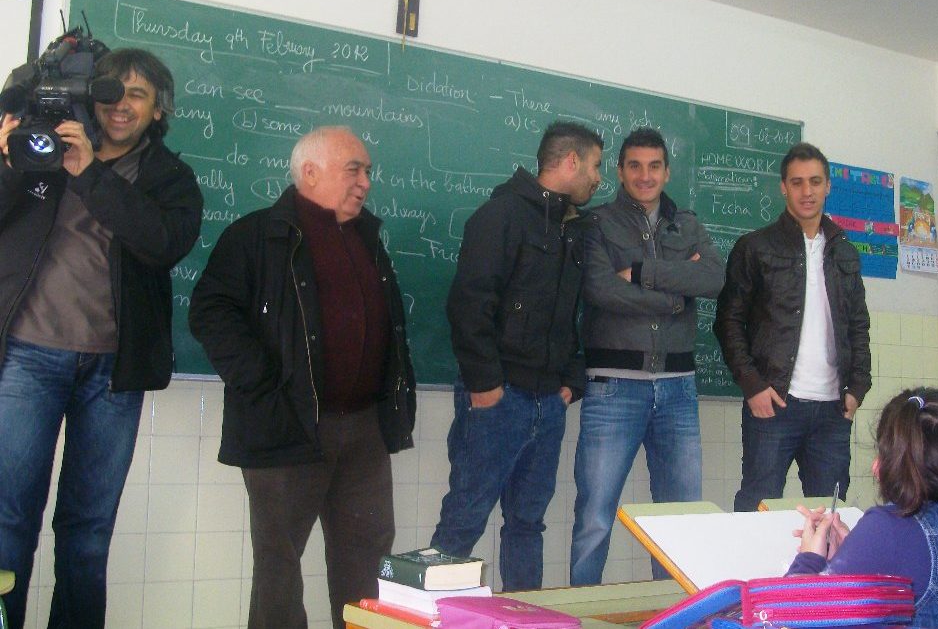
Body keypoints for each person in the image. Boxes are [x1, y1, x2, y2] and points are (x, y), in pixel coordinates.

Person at [0, 48, 203, 629]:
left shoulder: (170, 179)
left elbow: (161, 243)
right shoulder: (40, 148)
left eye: (137, 95)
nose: (120, 105)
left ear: (159, 110)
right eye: (111, 91)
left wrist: (90, 173)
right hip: (28, 356)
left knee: (88, 530)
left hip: (114, 372)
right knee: (9, 522)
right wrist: (8, 164)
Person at [188, 127, 415, 629]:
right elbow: (210, 311)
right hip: (287, 424)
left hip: (364, 429)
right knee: (280, 565)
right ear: (309, 172)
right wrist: (261, 382)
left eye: (368, 171)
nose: (365, 182)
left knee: (367, 560)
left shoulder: (367, 240)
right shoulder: (256, 236)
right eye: (354, 169)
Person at [432, 121, 602, 591]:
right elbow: (469, 304)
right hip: (497, 399)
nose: (598, 178)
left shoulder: (572, 229)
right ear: (571, 162)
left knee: (527, 524)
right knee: (463, 520)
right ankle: (428, 617)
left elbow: (573, 314)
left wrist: (570, 383)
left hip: (548, 401)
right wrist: (485, 386)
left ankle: (524, 618)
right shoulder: (501, 216)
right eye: (595, 166)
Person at [569, 127, 724, 585]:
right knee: (595, 517)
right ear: (620, 171)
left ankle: (674, 613)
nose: (645, 175)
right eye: (634, 166)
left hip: (678, 389)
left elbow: (714, 279)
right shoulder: (597, 223)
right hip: (613, 387)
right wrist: (676, 295)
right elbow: (600, 289)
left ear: (667, 172)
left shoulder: (688, 225)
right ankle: (582, 613)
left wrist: (640, 272)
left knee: (682, 521)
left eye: (654, 166)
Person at [713, 141, 870, 512]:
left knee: (830, 515)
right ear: (783, 187)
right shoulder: (755, 247)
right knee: (757, 509)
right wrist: (753, 385)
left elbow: (858, 325)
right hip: (775, 404)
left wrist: (858, 387)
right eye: (797, 182)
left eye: (815, 181)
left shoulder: (845, 252)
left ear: (828, 186)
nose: (806, 191)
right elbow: (728, 321)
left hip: (833, 410)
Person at [788, 388, 938, 627]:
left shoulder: (888, 531)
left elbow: (787, 620)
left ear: (880, 469)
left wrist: (809, 560)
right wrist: (857, 555)